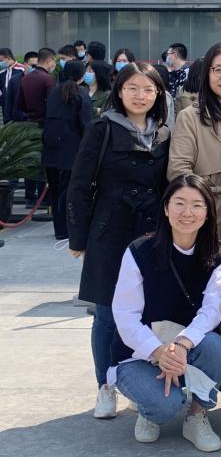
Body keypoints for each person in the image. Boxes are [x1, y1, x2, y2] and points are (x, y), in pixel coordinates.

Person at [67, 62, 171, 419]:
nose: (140, 96)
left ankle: (133, 382)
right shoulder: (103, 129)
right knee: (107, 314)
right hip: (109, 232)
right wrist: (78, 238)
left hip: (151, 233)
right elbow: (79, 185)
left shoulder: (163, 133)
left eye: (148, 89)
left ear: (158, 94)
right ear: (120, 91)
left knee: (145, 313)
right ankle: (105, 386)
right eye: (133, 88)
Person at [110, 174, 221, 452]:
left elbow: (212, 309)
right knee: (164, 407)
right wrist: (158, 351)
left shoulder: (218, 255)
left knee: (215, 346)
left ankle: (196, 415)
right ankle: (147, 407)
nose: (188, 212)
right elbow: (125, 314)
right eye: (179, 203)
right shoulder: (139, 251)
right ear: (166, 208)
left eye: (197, 205)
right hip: (140, 354)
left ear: (208, 212)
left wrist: (181, 345)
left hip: (186, 348)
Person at [168, 42, 221, 249]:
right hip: (211, 216)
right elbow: (178, 170)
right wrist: (202, 204)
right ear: (207, 73)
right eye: (218, 70)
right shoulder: (190, 117)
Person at [42, 60, 94, 240]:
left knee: (55, 191)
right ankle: (68, 229)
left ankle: (59, 229)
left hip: (50, 149)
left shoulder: (54, 92)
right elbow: (87, 125)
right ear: (82, 76)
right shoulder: (81, 94)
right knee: (69, 192)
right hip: (72, 151)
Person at [15, 47, 57, 208]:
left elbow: (19, 104)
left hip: (29, 124)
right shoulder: (48, 80)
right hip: (45, 125)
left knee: (30, 161)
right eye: (54, 61)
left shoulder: (25, 79)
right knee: (44, 162)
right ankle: (43, 198)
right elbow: (53, 105)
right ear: (49, 61)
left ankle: (30, 196)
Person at [0, 47, 27, 124]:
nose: (0, 63)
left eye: (1, 61)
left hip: (18, 104)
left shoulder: (22, 69)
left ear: (8, 58)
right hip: (6, 105)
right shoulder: (2, 72)